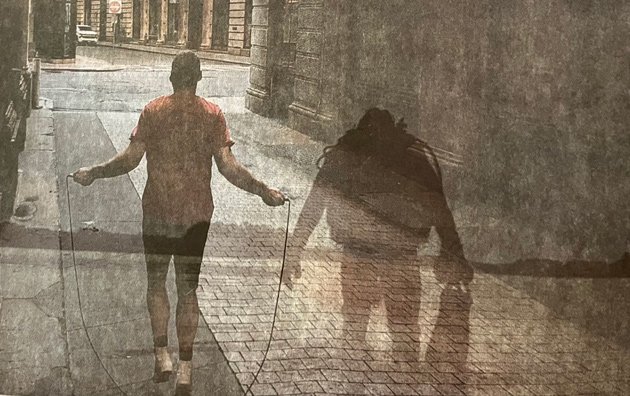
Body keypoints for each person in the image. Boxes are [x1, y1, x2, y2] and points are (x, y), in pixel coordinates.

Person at [72, 51, 285, 393]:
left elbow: (130, 159)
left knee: (156, 284)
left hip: (157, 213)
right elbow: (229, 167)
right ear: (198, 78)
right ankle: (186, 368)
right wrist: (262, 191)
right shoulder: (213, 115)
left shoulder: (154, 111)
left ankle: (162, 357)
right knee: (188, 289)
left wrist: (94, 173)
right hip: (195, 217)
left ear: (172, 78)